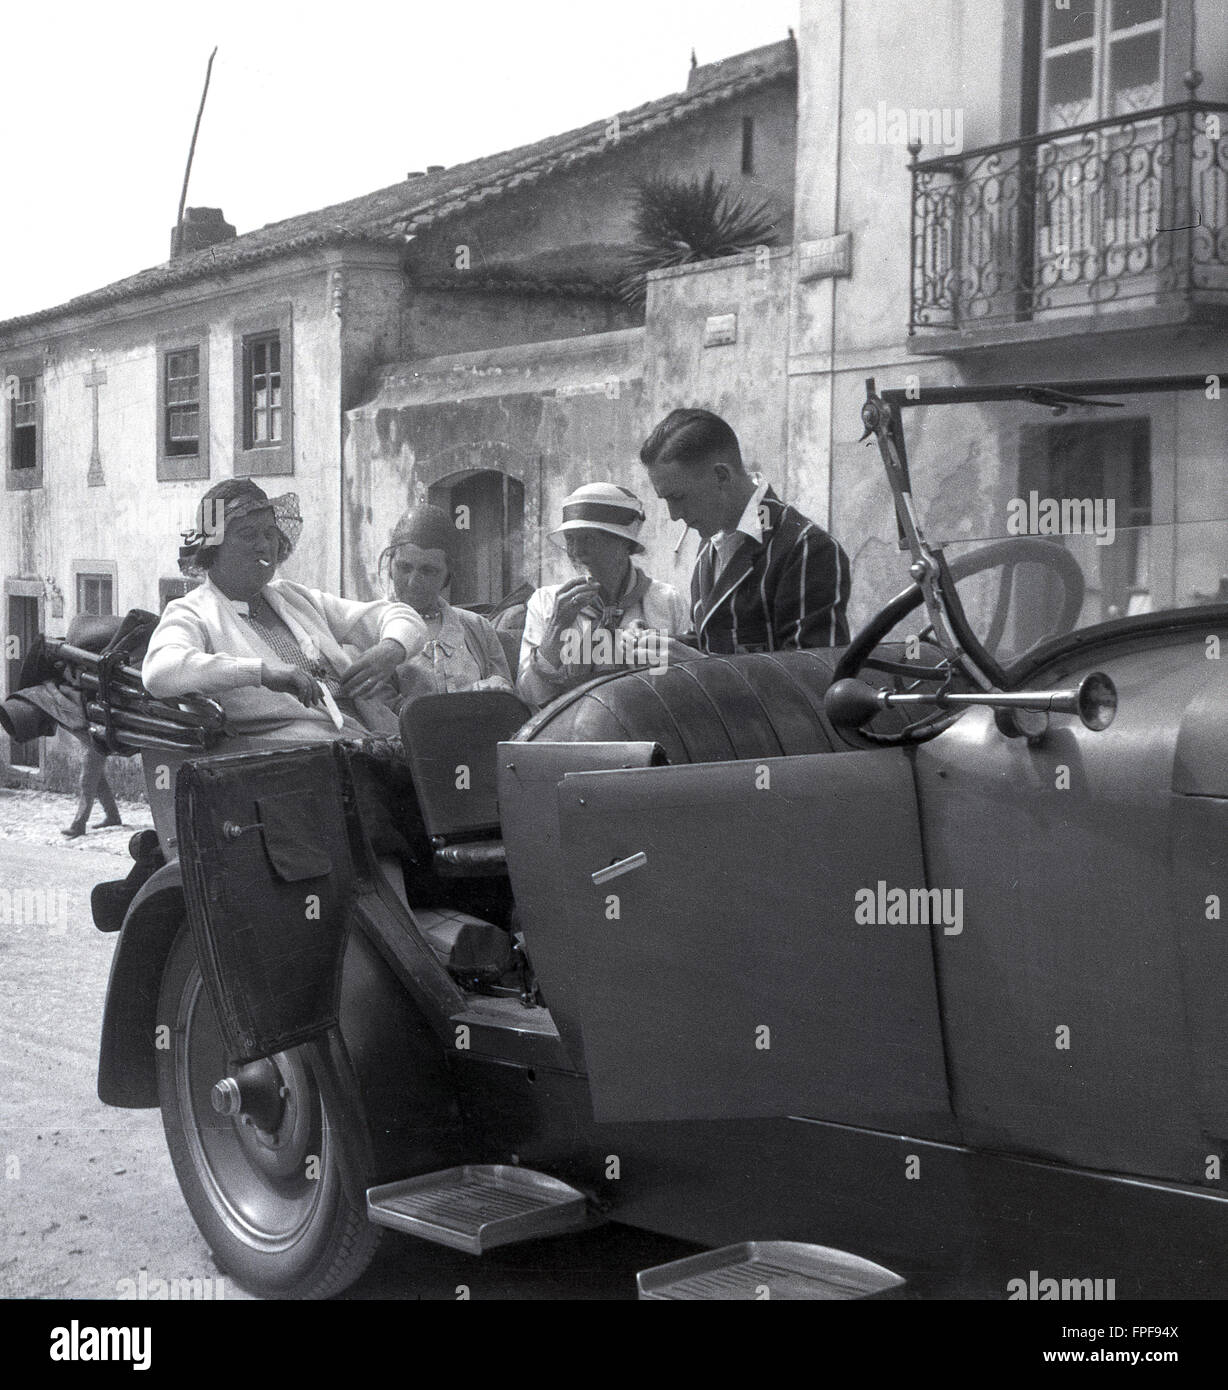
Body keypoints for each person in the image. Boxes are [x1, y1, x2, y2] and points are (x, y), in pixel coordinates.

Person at [142, 479, 427, 742]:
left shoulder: (294, 598)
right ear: (212, 549)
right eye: (247, 534)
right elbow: (160, 672)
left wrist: (390, 649)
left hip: (371, 741)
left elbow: (400, 617)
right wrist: (262, 673)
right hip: (299, 765)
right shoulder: (192, 612)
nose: (264, 545)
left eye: (270, 533)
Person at [639, 407, 851, 654]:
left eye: (678, 497)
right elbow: (713, 642)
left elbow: (812, 674)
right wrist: (659, 643)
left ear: (721, 475)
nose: (674, 515)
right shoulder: (711, 545)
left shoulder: (806, 549)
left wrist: (697, 669)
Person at [517, 482, 690, 709]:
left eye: (589, 538)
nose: (576, 553)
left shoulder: (666, 601)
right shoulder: (547, 602)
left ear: (624, 544)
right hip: (569, 736)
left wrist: (657, 660)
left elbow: (686, 690)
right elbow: (530, 696)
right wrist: (557, 627)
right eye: (570, 539)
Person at [377, 505, 514, 710]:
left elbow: (506, 702)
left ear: (448, 574)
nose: (413, 581)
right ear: (390, 566)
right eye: (404, 567)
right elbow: (381, 711)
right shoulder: (372, 628)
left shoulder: (476, 627)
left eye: (428, 571)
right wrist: (467, 699)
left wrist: (497, 687)